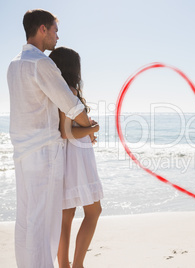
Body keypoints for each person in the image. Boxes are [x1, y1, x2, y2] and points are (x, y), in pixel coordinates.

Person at [7, 9, 95, 267]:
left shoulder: (14, 64)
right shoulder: (41, 63)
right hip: (44, 152)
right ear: (42, 29)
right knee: (44, 224)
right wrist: (91, 127)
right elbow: (71, 106)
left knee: (26, 220)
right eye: (55, 30)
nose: (57, 37)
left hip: (22, 153)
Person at [49, 47, 104, 268]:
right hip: (77, 159)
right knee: (94, 211)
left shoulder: (59, 90)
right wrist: (94, 129)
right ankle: (77, 265)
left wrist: (87, 130)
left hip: (68, 156)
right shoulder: (68, 91)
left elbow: (68, 128)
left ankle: (64, 265)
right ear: (73, 68)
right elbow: (67, 131)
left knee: (67, 215)